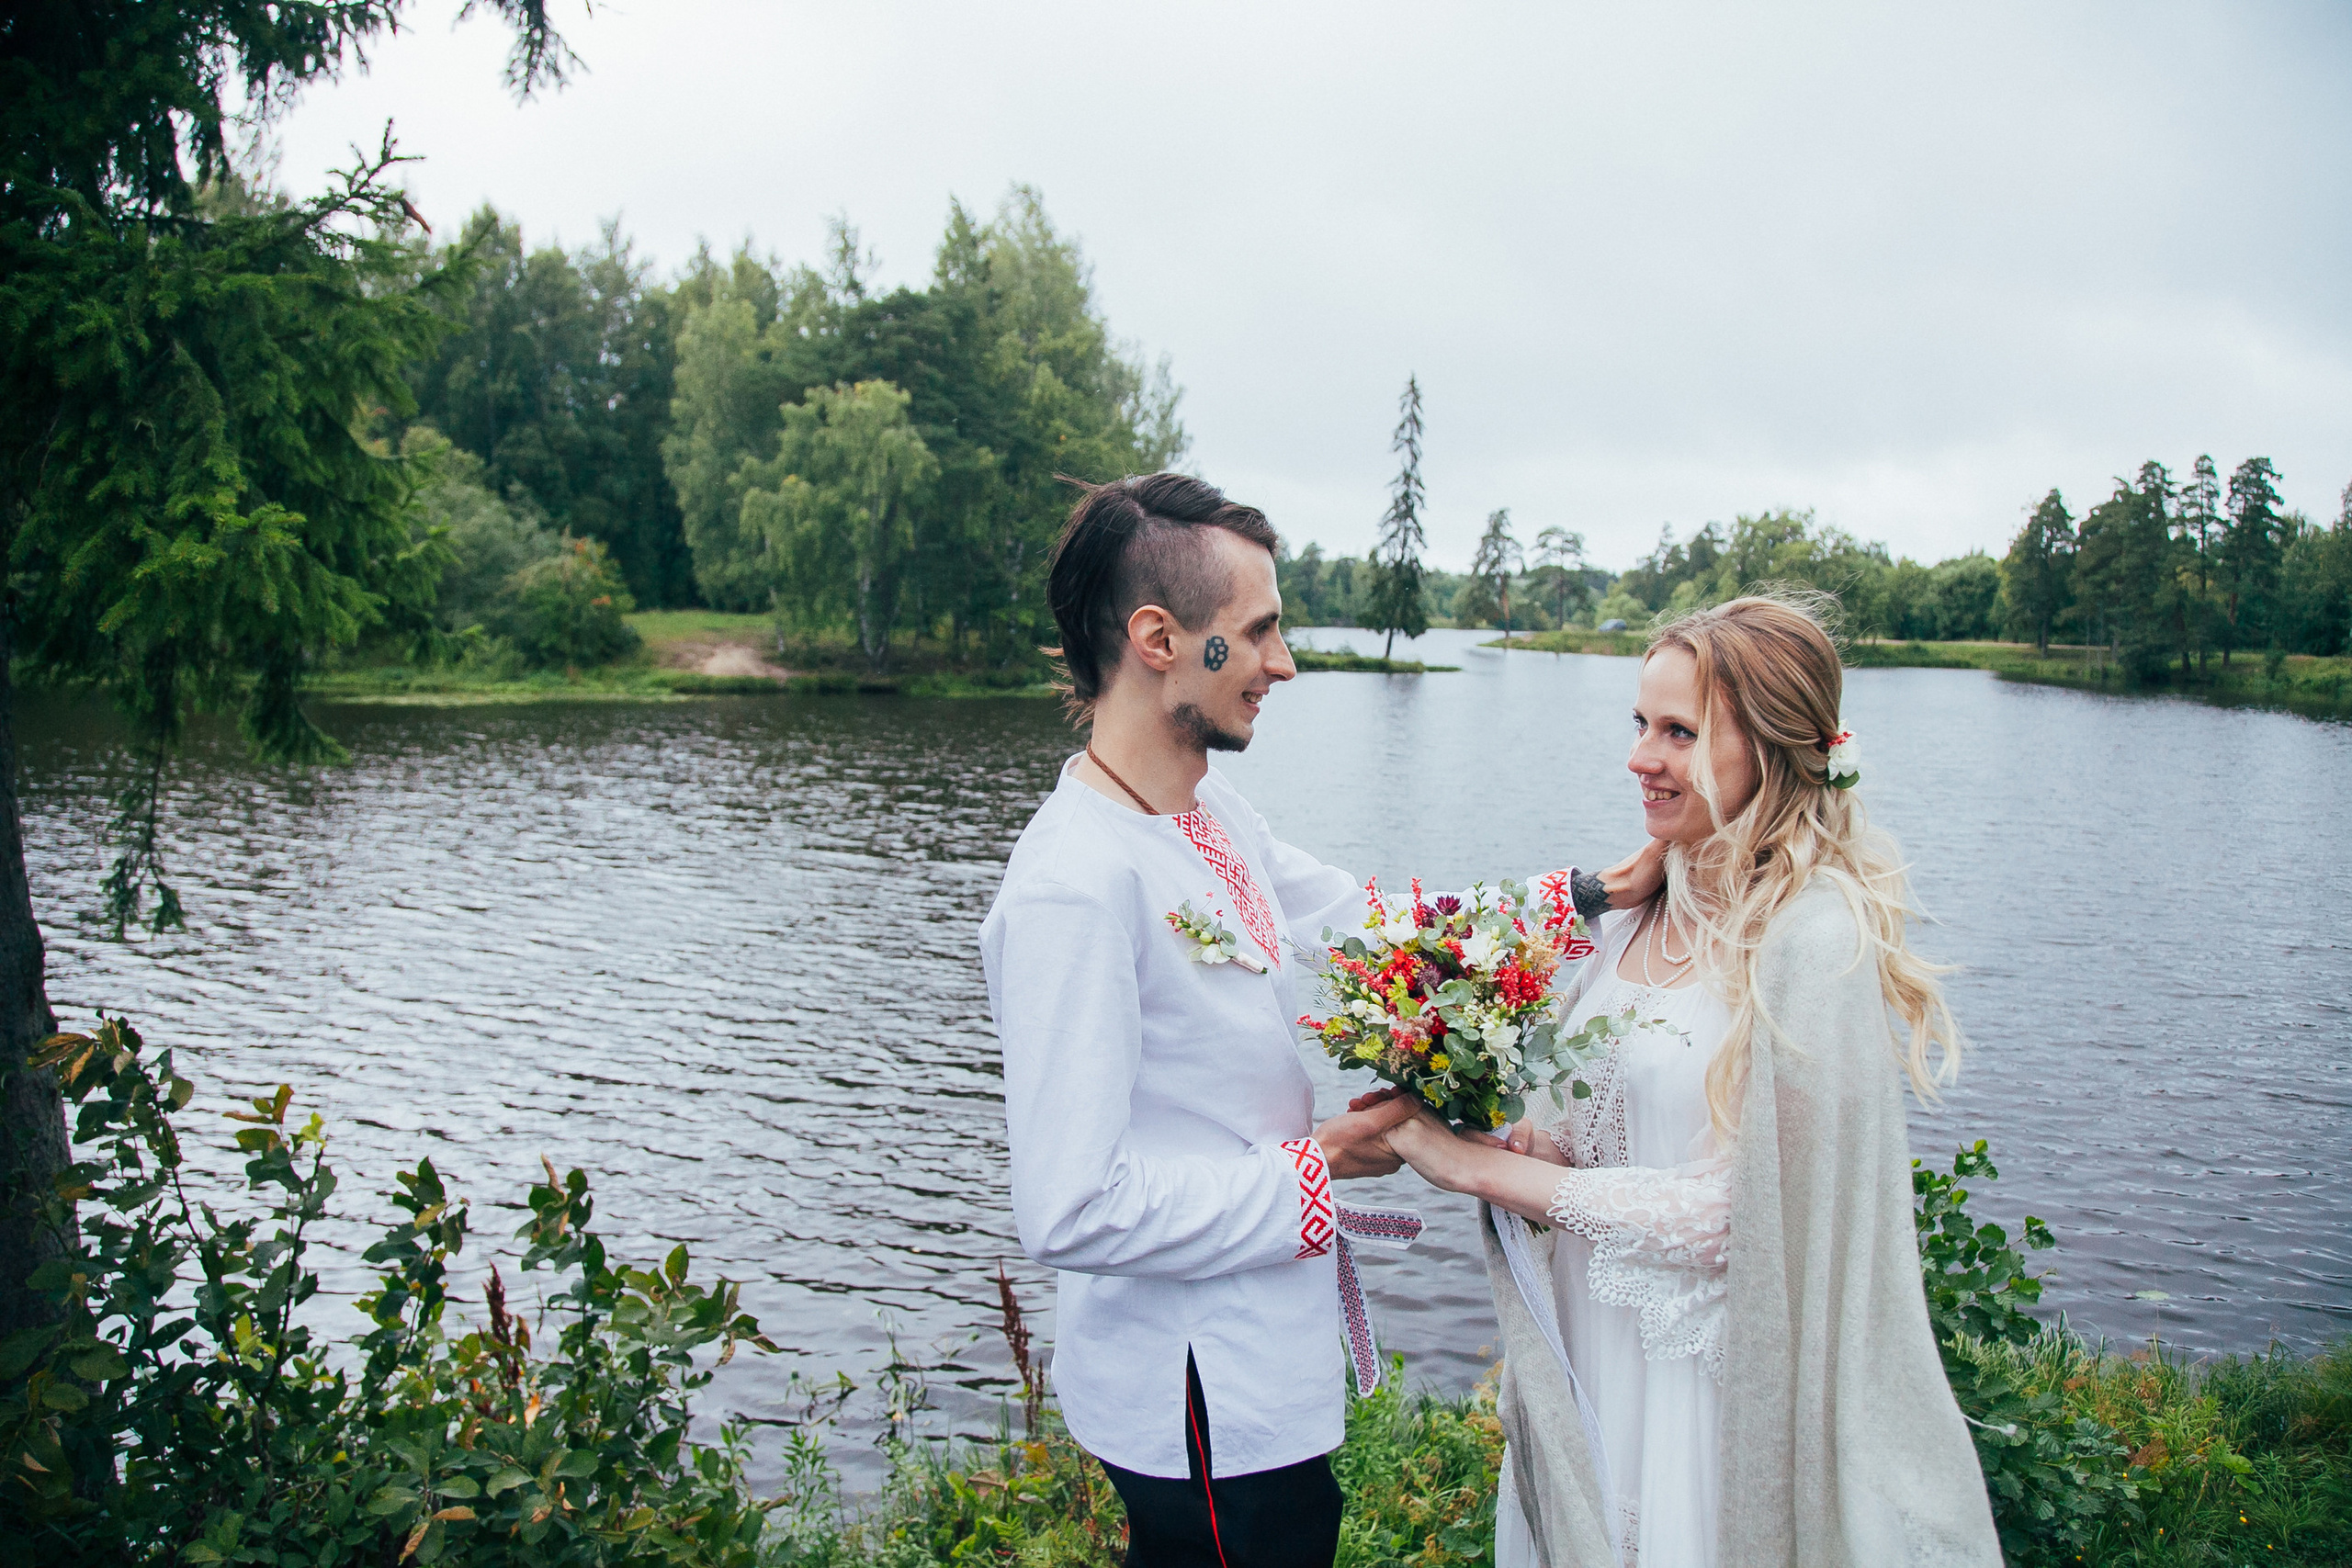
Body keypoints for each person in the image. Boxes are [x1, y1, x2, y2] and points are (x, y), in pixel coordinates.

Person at [979, 473, 1661, 1568]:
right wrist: (1326, 1161)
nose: (1284, 663)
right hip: (1192, 1385)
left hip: (1261, 1357)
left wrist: (1585, 896)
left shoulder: (1207, 816)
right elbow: (1071, 1210)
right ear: (1159, 640)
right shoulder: (1073, 887)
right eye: (1257, 631)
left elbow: (1371, 928)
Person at [1385, 592, 2002, 1568]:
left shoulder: (1812, 938)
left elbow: (1740, 1210)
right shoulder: (1638, 911)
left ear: (1772, 747)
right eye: (1641, 723)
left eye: (1679, 731)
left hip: (1697, 1394)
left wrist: (1478, 1170)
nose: (1641, 756)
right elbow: (1597, 1132)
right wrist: (1528, 1143)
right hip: (1592, 1350)